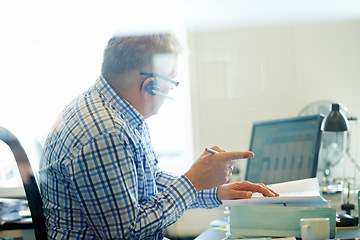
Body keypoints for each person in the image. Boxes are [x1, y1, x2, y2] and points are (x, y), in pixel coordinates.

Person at [39, 32, 279, 239]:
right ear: (150, 86)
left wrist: (214, 191)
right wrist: (193, 180)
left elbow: (147, 183)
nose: (171, 91)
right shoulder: (105, 132)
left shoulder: (119, 112)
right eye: (172, 82)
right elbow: (127, 232)